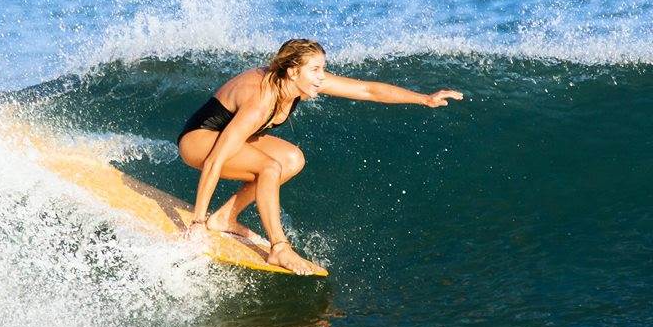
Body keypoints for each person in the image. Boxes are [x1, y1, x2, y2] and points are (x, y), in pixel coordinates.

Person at [177, 39, 463, 274]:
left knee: (292, 159)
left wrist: (424, 98)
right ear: (293, 72)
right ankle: (279, 248)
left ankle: (225, 217)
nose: (321, 77)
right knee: (269, 167)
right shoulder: (261, 99)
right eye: (315, 70)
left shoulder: (300, 82)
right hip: (198, 139)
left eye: (322, 68)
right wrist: (197, 224)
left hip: (230, 135)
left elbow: (367, 90)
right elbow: (215, 160)